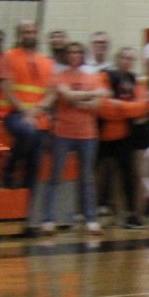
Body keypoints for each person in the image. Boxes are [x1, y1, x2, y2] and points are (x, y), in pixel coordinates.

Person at [42, 41, 109, 235]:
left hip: (88, 133)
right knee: (56, 176)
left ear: (83, 55)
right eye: (71, 52)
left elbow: (96, 106)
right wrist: (90, 95)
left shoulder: (93, 77)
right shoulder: (58, 76)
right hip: (63, 131)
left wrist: (77, 98)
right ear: (66, 55)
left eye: (78, 52)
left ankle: (91, 219)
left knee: (87, 177)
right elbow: (68, 96)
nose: (74, 55)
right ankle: (48, 219)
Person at [0, 20, 55, 225]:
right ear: (19, 34)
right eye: (25, 31)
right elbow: (7, 89)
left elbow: (51, 94)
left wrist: (37, 111)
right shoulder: (8, 57)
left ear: (37, 33)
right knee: (28, 132)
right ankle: (10, 166)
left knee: (35, 167)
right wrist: (25, 111)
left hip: (38, 117)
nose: (29, 34)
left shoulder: (47, 62)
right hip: (12, 113)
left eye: (32, 31)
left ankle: (28, 220)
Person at [98, 46, 149, 229]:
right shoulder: (105, 76)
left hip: (124, 136)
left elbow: (143, 107)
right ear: (117, 58)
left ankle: (130, 215)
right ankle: (91, 213)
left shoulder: (136, 80)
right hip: (101, 136)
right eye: (124, 57)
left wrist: (117, 106)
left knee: (129, 176)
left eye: (130, 58)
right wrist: (128, 108)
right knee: (97, 176)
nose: (127, 61)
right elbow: (103, 108)